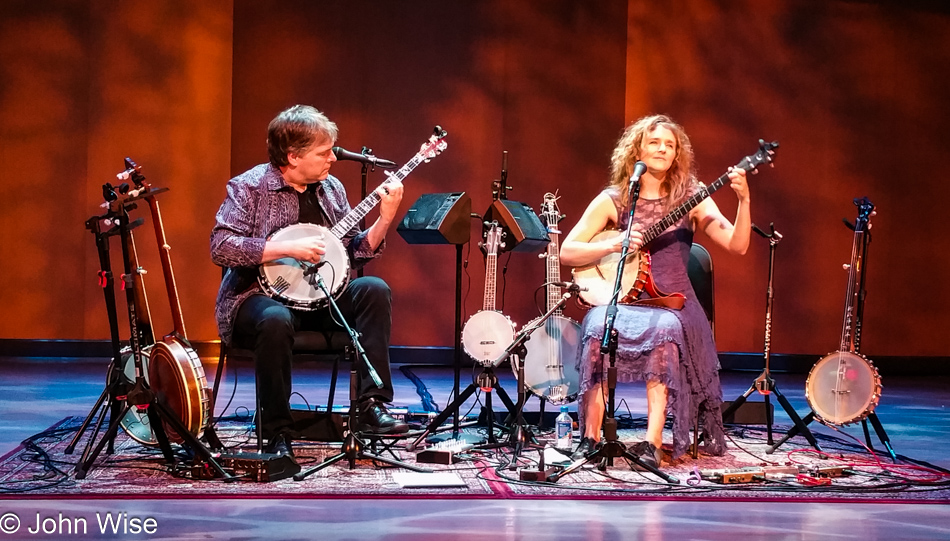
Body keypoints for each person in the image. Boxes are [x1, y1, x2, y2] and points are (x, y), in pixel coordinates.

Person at [211, 105, 407, 458]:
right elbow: (221, 247)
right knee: (275, 319)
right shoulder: (248, 187)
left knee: (373, 289)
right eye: (324, 152)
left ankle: (371, 407)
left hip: (319, 298)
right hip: (255, 300)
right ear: (293, 156)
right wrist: (284, 248)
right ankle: (276, 432)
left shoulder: (330, 188)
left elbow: (352, 253)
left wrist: (384, 219)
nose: (333, 158)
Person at [559, 114, 750, 468]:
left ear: (678, 154)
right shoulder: (614, 199)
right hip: (624, 300)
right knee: (598, 326)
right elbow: (567, 251)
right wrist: (614, 242)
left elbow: (737, 245)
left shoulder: (692, 196)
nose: (662, 149)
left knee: (665, 330)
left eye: (670, 145)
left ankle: (653, 442)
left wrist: (743, 201)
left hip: (673, 304)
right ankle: (590, 437)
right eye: (654, 142)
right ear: (637, 150)